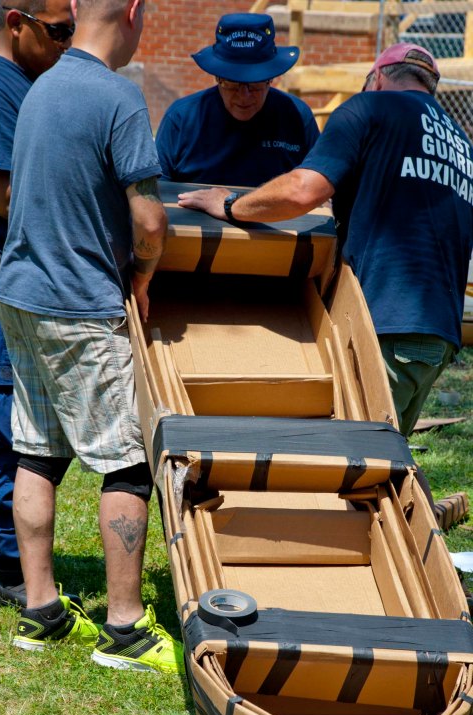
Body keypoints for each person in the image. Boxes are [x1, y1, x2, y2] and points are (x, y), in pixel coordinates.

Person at [0, 0, 184, 674]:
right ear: (132, 12)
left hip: (19, 293)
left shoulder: (41, 86)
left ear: (77, 11)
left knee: (37, 451)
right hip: (79, 304)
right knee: (126, 463)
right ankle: (125, 630)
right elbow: (151, 220)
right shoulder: (117, 97)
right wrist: (143, 274)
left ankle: (41, 611)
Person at [177, 43, 473, 440]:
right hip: (439, 333)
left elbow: (303, 190)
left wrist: (229, 205)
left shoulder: (370, 108)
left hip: (384, 324)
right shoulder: (460, 142)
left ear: (377, 78)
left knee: (357, 454)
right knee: (386, 454)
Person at [0, 0, 75, 603]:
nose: (66, 43)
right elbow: (5, 195)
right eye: (57, 31)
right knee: (3, 421)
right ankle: (7, 567)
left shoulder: (14, 82)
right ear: (16, 23)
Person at [155, 13, 320, 187]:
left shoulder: (297, 117)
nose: (244, 96)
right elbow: (156, 191)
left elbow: (318, 185)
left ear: (271, 79)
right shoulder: (181, 120)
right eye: (231, 83)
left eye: (255, 84)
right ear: (217, 77)